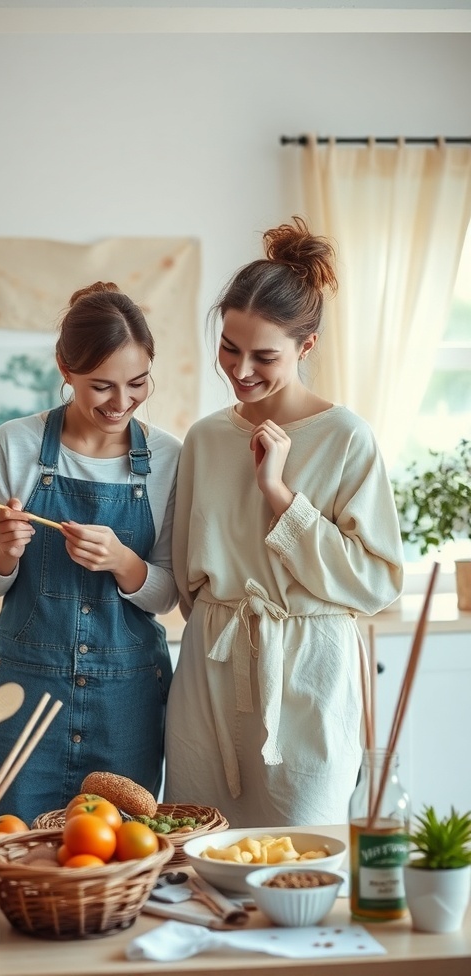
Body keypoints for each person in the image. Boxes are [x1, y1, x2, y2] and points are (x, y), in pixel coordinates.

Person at [163, 217, 403, 827]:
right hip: (212, 672)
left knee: (306, 854)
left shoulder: (347, 438)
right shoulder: (206, 437)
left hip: (310, 675)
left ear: (306, 347)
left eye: (263, 355)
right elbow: (190, 582)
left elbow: (375, 583)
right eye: (229, 347)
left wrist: (279, 494)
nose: (240, 370)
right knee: (199, 854)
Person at [0, 282, 181, 826]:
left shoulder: (166, 457)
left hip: (127, 701)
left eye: (138, 382)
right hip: (26, 695)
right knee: (12, 855)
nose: (121, 402)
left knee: (121, 861)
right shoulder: (14, 444)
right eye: (101, 386)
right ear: (65, 368)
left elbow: (169, 593)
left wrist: (123, 562)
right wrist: (5, 554)